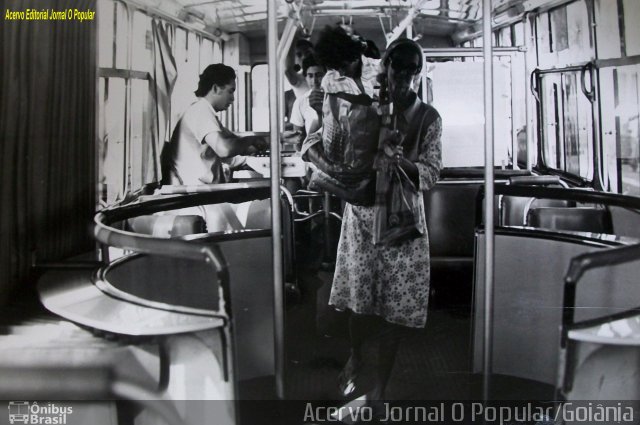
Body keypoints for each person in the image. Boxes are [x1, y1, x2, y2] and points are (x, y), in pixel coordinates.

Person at [327, 38, 443, 402]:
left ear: (418, 73)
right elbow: (337, 144)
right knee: (360, 303)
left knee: (394, 310)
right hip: (363, 216)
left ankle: (380, 389)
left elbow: (432, 171)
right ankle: (357, 354)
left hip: (402, 220)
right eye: (398, 69)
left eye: (411, 71)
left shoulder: (429, 118)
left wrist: (401, 161)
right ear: (386, 68)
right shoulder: (367, 107)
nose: (404, 78)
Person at [163, 63, 267, 231]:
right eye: (230, 91)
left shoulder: (205, 113)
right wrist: (249, 141)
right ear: (216, 88)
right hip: (197, 196)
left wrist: (257, 145)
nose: (232, 98)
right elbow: (224, 149)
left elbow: (231, 146)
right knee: (268, 202)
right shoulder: (200, 112)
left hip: (206, 191)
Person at [289, 55, 326, 145]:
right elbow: (297, 143)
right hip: (312, 154)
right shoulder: (300, 103)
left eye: (319, 75)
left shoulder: (336, 98)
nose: (314, 81)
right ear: (305, 77)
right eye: (310, 76)